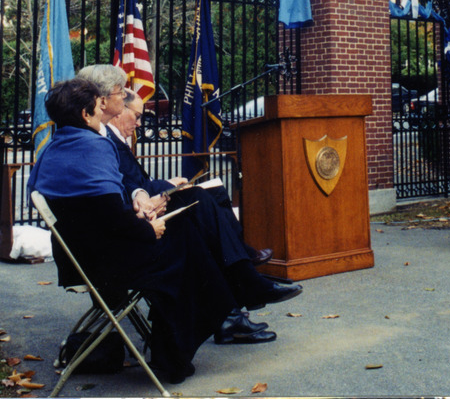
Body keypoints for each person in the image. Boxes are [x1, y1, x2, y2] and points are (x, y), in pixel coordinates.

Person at [28, 76, 299, 382]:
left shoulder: (51, 149)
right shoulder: (94, 147)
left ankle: (192, 334)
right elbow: (108, 213)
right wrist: (148, 229)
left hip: (79, 258)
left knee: (187, 223)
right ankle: (177, 352)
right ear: (86, 115)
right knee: (187, 237)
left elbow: (92, 210)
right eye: (97, 106)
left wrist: (141, 212)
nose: (104, 109)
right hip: (106, 263)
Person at [108, 88, 276, 344]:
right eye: (137, 116)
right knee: (202, 209)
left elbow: (133, 185)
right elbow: (126, 190)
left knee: (215, 194)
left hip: (142, 219)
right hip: (139, 232)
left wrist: (160, 185)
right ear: (118, 110)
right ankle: (242, 283)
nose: (139, 124)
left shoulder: (112, 141)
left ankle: (241, 269)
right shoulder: (105, 143)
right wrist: (164, 184)